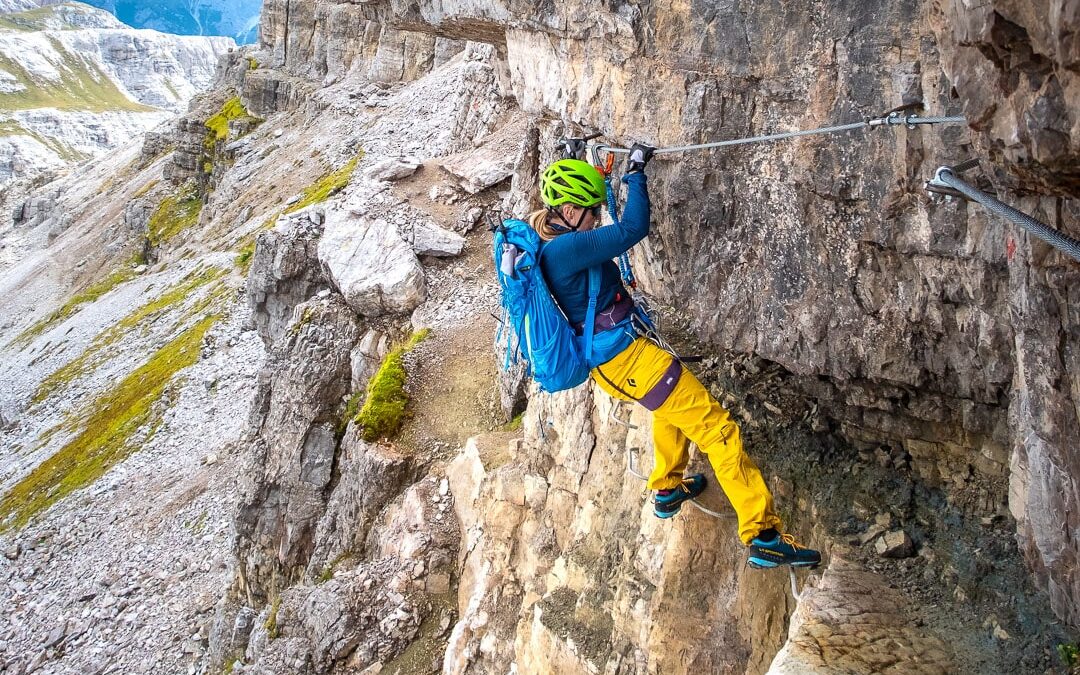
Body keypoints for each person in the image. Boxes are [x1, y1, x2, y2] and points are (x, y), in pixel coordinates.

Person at [529, 146, 820, 569]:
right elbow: (632, 228)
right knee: (718, 430)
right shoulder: (566, 249)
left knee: (668, 407)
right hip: (628, 360)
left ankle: (667, 487)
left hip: (619, 360)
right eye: (592, 212)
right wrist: (636, 171)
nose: (596, 219)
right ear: (570, 210)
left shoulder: (550, 242)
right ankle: (763, 535)